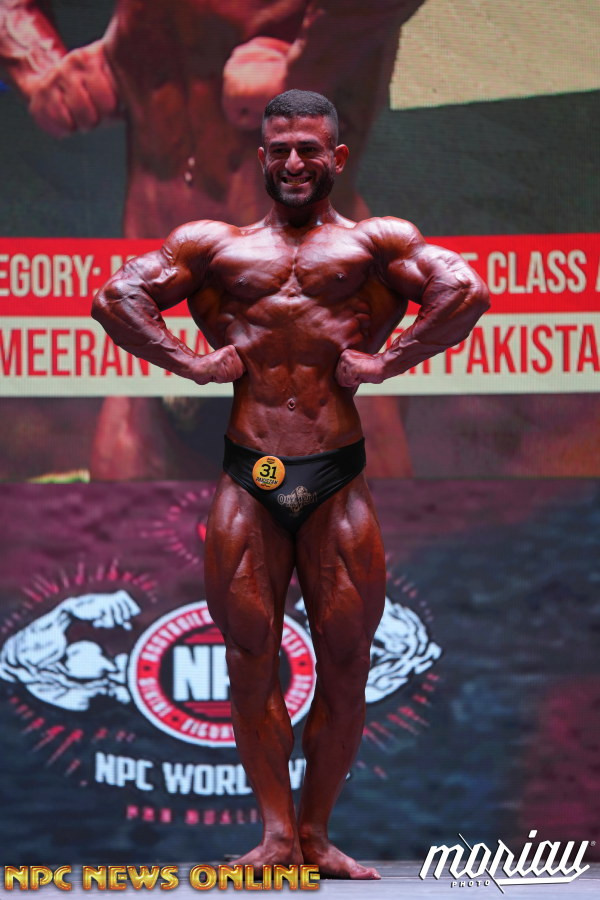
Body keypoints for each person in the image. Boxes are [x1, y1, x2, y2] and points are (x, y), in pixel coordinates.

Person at [94, 88, 489, 878]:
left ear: (337, 156)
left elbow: (466, 291)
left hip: (335, 475)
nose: (295, 162)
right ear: (262, 159)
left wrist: (388, 360)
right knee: (250, 657)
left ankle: (316, 834)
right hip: (253, 474)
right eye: (279, 150)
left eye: (309, 148)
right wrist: (190, 362)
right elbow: (115, 297)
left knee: (346, 661)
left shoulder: (375, 243)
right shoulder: (215, 246)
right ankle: (276, 835)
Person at [1, 0, 425, 481]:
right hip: (161, 308)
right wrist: (37, 63)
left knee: (353, 520)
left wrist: (306, 69)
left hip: (307, 308)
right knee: (124, 522)